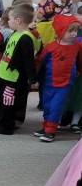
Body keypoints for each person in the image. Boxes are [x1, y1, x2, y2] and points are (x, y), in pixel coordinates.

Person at [0, 3, 36, 135]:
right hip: (4, 74)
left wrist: (33, 79)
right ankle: (1, 122)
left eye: (9, 19)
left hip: (14, 79)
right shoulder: (15, 34)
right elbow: (7, 46)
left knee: (7, 103)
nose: (8, 21)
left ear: (18, 20)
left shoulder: (26, 38)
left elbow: (29, 60)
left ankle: (6, 127)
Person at [34, 14, 82, 142]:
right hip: (48, 83)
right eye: (70, 31)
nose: (74, 34)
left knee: (56, 106)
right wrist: (36, 78)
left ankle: (50, 131)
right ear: (60, 30)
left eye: (76, 30)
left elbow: (80, 61)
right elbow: (40, 62)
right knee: (47, 105)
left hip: (66, 83)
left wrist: (78, 71)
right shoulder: (50, 47)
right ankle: (46, 126)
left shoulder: (77, 46)